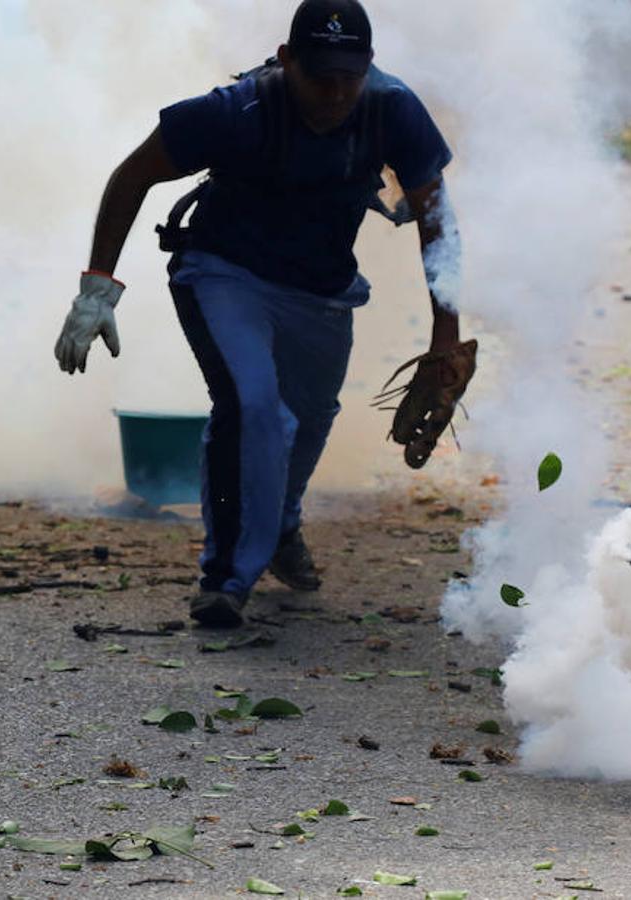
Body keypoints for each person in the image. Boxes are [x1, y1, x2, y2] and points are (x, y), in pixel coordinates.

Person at [55, 0, 460, 628]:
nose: (332, 94)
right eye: (317, 76)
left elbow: (435, 218)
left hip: (321, 292)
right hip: (224, 274)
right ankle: (225, 577)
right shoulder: (233, 110)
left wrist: (446, 334)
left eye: (346, 79)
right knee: (252, 408)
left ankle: (279, 526)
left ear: (369, 67)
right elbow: (132, 175)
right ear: (285, 60)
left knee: (311, 418)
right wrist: (96, 288)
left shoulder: (393, 108)